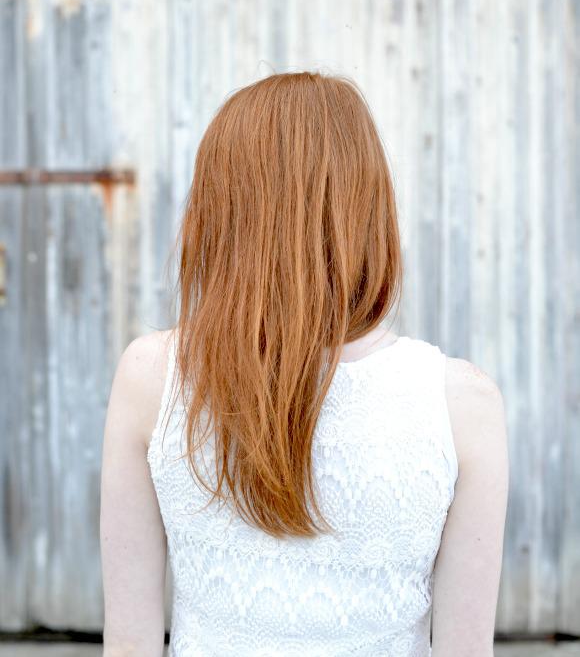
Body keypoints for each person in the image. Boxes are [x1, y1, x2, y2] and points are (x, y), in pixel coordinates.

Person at [100, 71, 509, 656]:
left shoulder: (152, 377)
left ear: (219, 214)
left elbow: (129, 646)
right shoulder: (463, 404)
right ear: (368, 211)